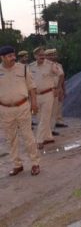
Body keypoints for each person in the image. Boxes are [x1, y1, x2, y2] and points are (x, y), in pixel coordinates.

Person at [0, 45, 40, 176]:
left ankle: (35, 163)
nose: (13, 58)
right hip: (5, 109)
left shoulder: (23, 69)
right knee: (10, 138)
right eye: (9, 56)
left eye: (13, 55)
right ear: (2, 58)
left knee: (28, 136)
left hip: (22, 107)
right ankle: (17, 165)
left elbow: (31, 87)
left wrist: (34, 102)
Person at [30, 47, 63, 149]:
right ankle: (48, 137)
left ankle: (39, 140)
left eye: (43, 55)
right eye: (39, 55)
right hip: (36, 95)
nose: (42, 57)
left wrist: (58, 88)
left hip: (48, 94)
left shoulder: (50, 65)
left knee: (45, 117)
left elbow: (61, 74)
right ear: (35, 56)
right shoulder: (30, 67)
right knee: (40, 118)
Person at [45, 49, 65, 136]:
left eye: (53, 55)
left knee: (54, 110)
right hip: (46, 91)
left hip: (56, 89)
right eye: (49, 55)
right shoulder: (43, 66)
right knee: (46, 111)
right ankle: (46, 130)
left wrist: (61, 89)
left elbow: (62, 78)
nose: (52, 57)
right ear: (46, 56)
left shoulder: (59, 65)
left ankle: (52, 129)